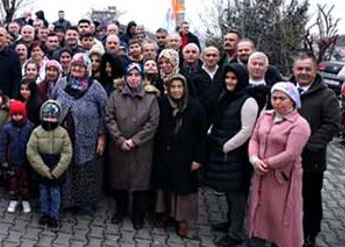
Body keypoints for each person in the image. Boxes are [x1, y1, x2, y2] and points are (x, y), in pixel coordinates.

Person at [247, 82, 311, 247]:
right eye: (274, 98)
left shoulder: (300, 124)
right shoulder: (265, 116)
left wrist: (265, 164)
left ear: (293, 100)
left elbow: (291, 153)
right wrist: (254, 159)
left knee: (280, 215)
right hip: (260, 172)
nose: (277, 102)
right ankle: (257, 240)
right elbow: (254, 138)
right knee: (259, 210)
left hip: (282, 178)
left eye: (282, 98)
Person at [291, 54, 341, 247]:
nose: (303, 73)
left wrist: (307, 145)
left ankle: (310, 234)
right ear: (294, 70)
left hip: (311, 159)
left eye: (307, 69)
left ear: (315, 70)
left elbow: (332, 125)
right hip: (286, 158)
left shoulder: (326, 95)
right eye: (299, 69)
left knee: (310, 198)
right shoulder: (286, 89)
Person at [206, 63, 259, 247]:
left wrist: (226, 146)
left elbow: (246, 131)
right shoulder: (226, 96)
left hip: (236, 156)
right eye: (227, 77)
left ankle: (236, 234)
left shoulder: (248, 101)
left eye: (233, 78)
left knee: (237, 195)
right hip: (223, 151)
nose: (229, 81)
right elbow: (219, 117)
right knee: (228, 191)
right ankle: (230, 223)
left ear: (241, 79)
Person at [51, 53, 108, 214]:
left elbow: (105, 113)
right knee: (64, 166)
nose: (76, 69)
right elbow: (52, 102)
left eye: (81, 66)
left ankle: (84, 203)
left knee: (84, 169)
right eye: (74, 65)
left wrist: (102, 136)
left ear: (87, 69)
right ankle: (66, 201)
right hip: (63, 135)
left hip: (87, 138)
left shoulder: (95, 87)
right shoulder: (62, 83)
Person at [105, 63, 159, 229]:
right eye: (130, 75)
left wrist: (135, 141)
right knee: (119, 181)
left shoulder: (151, 98)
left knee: (140, 184)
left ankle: (138, 215)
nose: (133, 78)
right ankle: (121, 211)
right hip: (119, 147)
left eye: (137, 75)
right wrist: (120, 140)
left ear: (142, 78)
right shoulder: (115, 95)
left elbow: (152, 123)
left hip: (141, 149)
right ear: (125, 77)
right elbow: (109, 118)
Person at [152, 74, 206, 238]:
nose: (176, 90)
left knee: (182, 187)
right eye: (173, 87)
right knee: (164, 186)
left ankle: (181, 219)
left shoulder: (195, 107)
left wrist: (198, 158)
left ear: (185, 88)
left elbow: (202, 136)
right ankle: (165, 213)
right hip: (164, 154)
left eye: (179, 87)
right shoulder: (161, 104)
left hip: (185, 156)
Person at [26, 100, 73, 229]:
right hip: (42, 167)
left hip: (57, 167)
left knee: (55, 193)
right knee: (44, 192)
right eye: (47, 117)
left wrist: (57, 170)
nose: (49, 120)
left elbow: (67, 153)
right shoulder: (36, 132)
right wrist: (43, 169)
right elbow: (32, 152)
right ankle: (44, 213)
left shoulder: (63, 133)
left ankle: (54, 216)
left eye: (53, 118)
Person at [0, 101, 35, 213]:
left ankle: (25, 200)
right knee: (13, 182)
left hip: (25, 161)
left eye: (19, 114)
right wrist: (3, 159)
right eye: (14, 115)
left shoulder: (30, 126)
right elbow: (2, 145)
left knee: (25, 182)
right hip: (12, 161)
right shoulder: (7, 128)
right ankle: (14, 199)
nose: (17, 117)